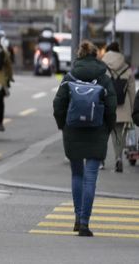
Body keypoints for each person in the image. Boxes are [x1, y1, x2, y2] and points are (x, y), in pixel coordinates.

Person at [53, 41, 116, 237]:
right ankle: (85, 223)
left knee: (77, 175)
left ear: (79, 55)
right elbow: (112, 107)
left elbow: (58, 104)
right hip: (97, 131)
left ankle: (78, 218)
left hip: (73, 131)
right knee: (90, 179)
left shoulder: (69, 76)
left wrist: (63, 125)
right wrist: (107, 128)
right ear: (96, 56)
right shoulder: (104, 79)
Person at [101, 42, 134, 173]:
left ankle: (100, 161)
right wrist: (133, 110)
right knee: (118, 136)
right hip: (122, 107)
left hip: (105, 106)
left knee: (102, 135)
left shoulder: (102, 67)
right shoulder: (126, 68)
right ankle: (118, 159)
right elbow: (132, 92)